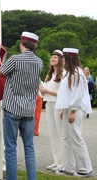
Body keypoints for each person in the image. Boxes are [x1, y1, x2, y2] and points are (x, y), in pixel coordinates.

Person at [0, 31, 43, 180]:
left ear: (22, 43)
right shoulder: (39, 62)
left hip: (12, 109)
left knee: (11, 148)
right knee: (29, 148)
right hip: (29, 110)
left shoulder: (15, 60)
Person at [55, 48, 93, 178]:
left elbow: (77, 95)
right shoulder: (70, 73)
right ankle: (68, 167)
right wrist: (63, 109)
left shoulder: (77, 73)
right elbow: (67, 94)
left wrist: (72, 111)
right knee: (66, 137)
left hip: (75, 109)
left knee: (76, 138)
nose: (63, 60)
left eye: (64, 58)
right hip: (68, 109)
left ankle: (85, 169)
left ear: (69, 59)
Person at [39, 49, 64, 172]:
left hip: (58, 105)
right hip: (49, 104)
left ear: (60, 60)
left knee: (60, 134)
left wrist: (47, 91)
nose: (52, 59)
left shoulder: (64, 73)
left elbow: (63, 93)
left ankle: (63, 162)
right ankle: (56, 161)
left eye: (55, 57)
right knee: (53, 135)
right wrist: (41, 89)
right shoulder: (49, 75)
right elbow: (44, 93)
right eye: (52, 57)